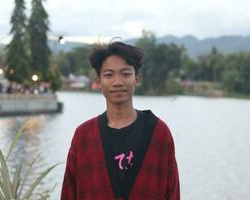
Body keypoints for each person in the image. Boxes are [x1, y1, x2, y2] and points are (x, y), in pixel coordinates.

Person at [61, 41, 180, 200]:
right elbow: (69, 193)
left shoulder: (158, 133)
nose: (117, 82)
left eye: (125, 74)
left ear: (137, 78)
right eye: (109, 75)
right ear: (98, 81)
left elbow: (172, 192)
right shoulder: (84, 136)